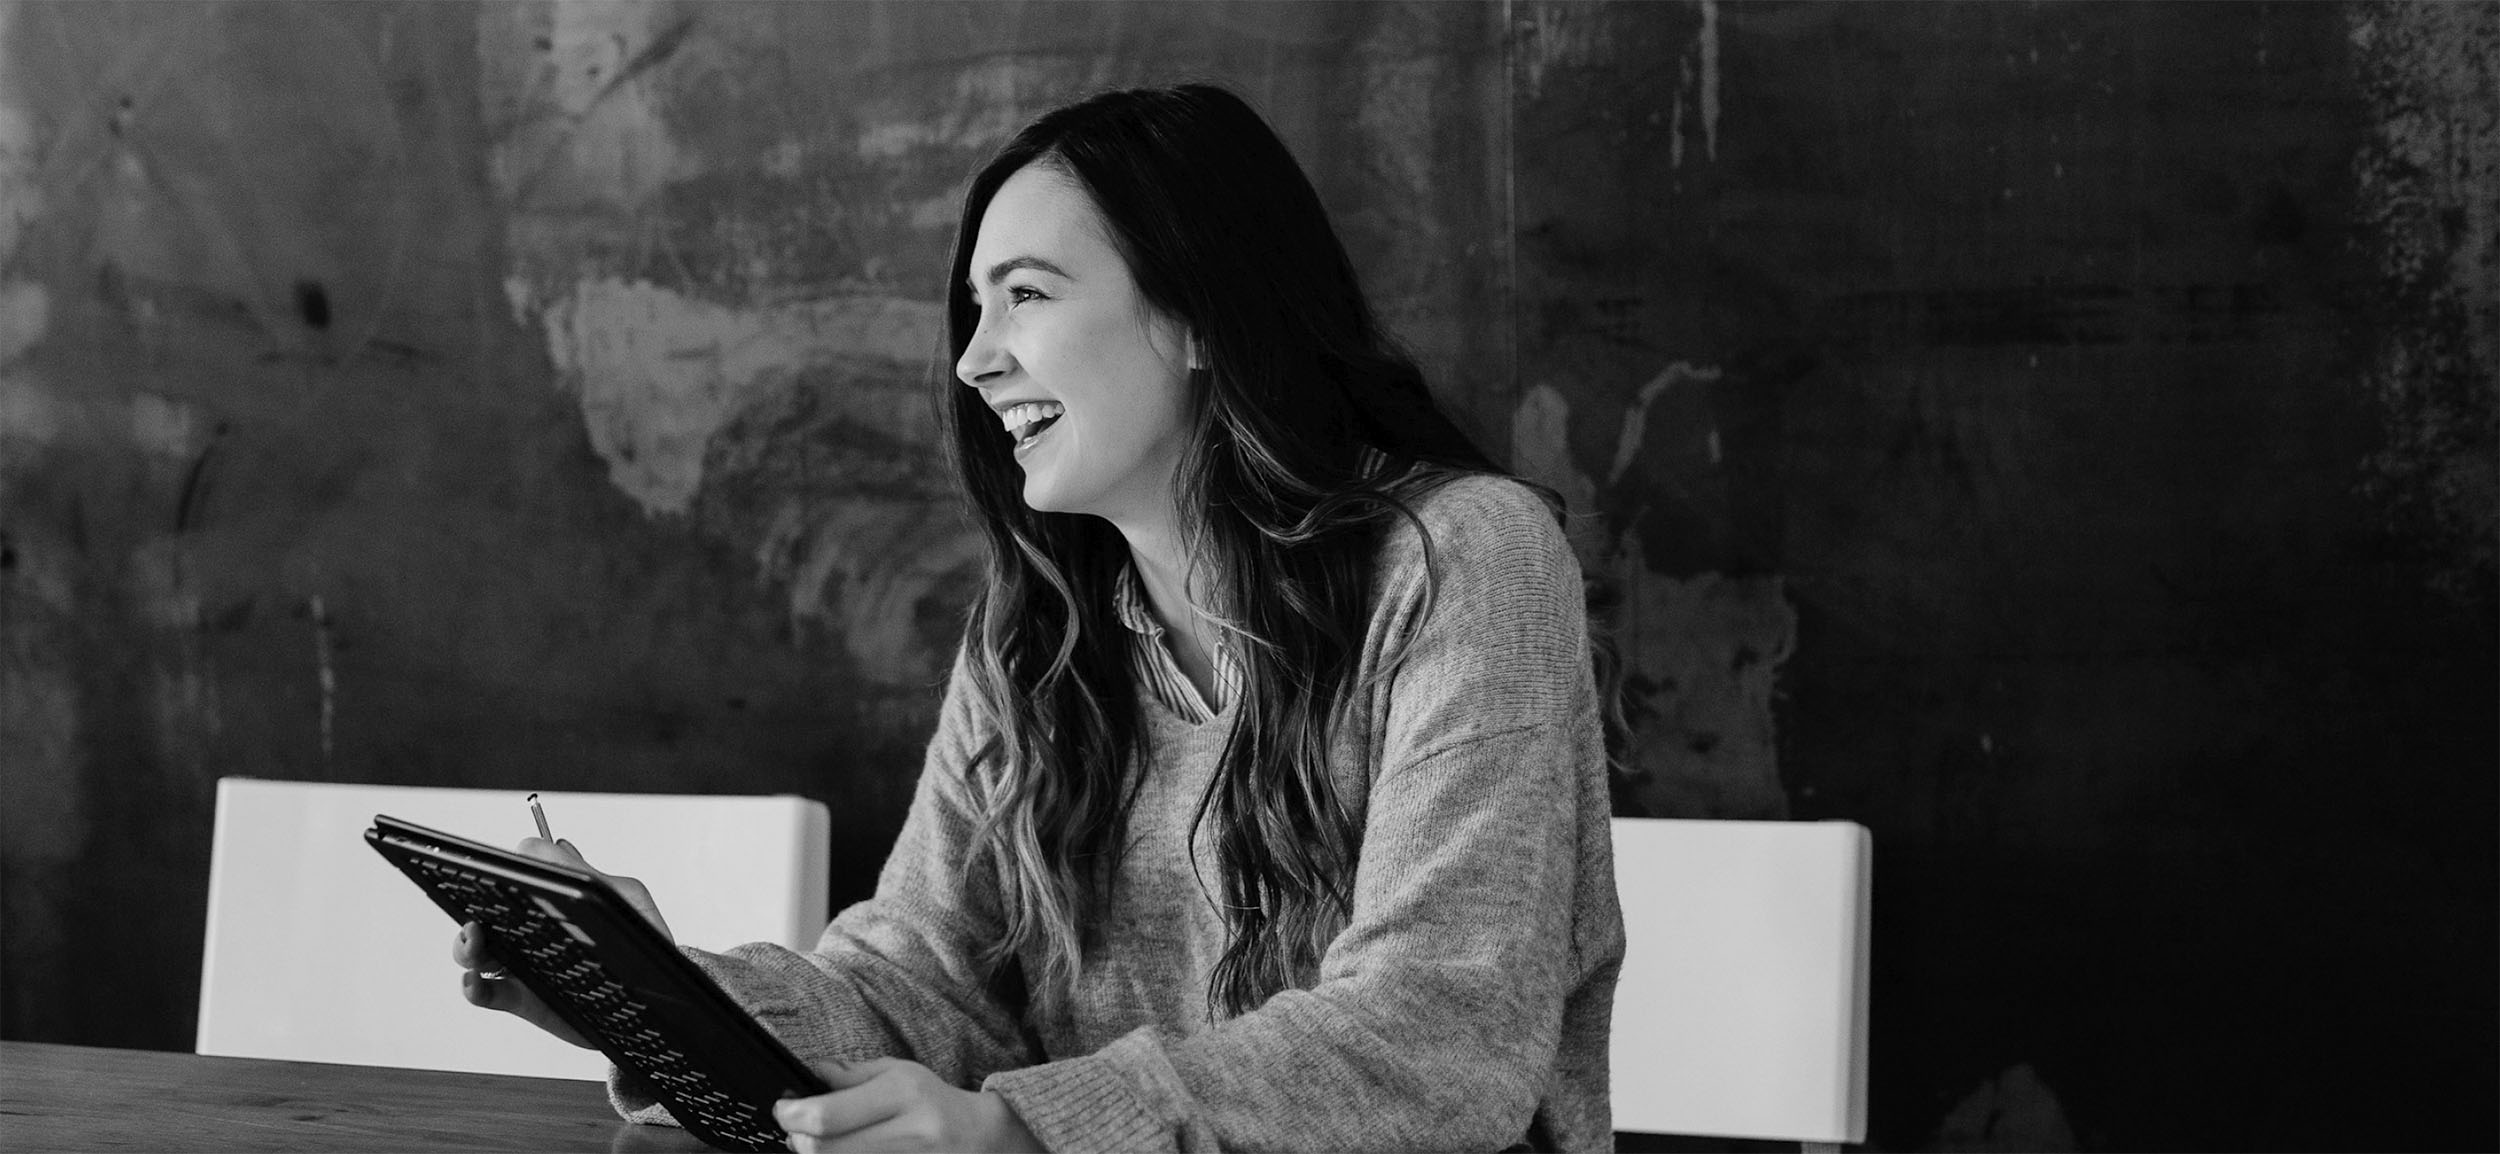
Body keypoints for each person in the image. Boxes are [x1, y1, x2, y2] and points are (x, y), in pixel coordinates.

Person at [454, 83, 1623, 1153]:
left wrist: (1021, 1127)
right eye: (974, 307)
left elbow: (1440, 1032)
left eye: (1026, 294)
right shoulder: (1038, 631)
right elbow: (917, 988)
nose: (972, 360)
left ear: (1198, 314)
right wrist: (656, 996)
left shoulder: (1464, 556)